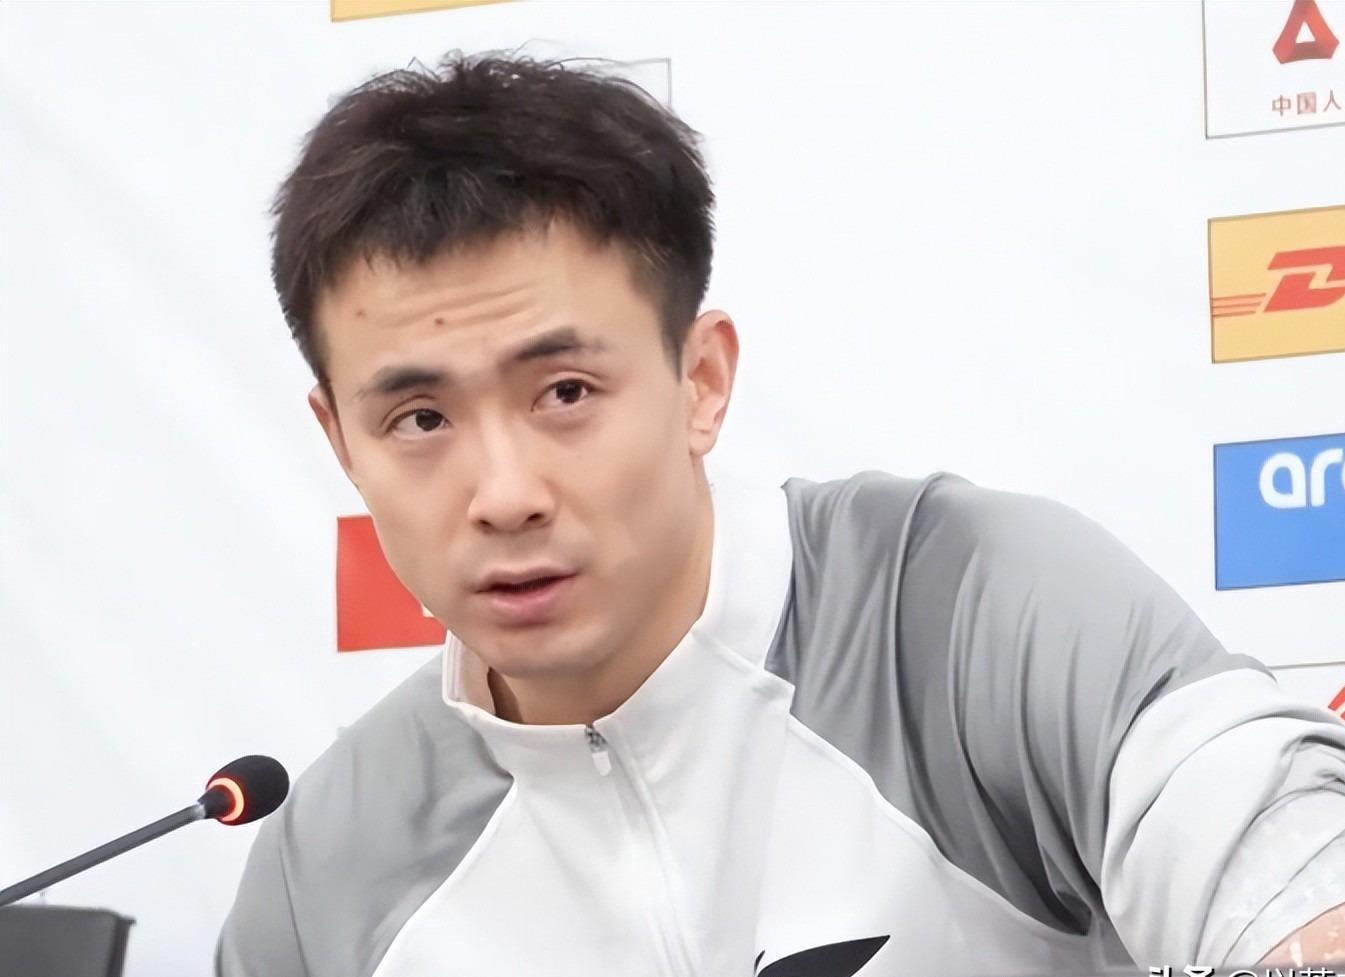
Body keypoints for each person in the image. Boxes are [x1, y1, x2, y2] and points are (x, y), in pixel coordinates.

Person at [216, 51, 1345, 977]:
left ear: (700, 382)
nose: (504, 494)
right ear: (342, 442)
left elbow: (1294, 884)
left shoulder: (971, 609)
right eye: (419, 418)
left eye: (565, 393)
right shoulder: (326, 867)